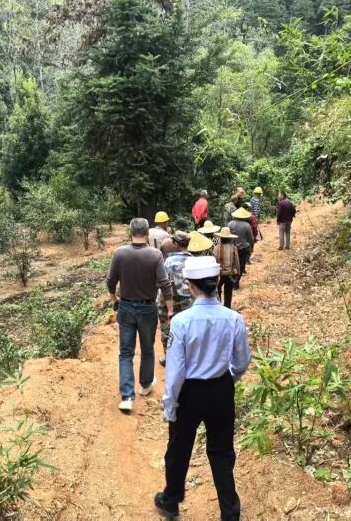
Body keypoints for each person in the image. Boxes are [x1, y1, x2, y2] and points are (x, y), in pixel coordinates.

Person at [155, 256, 252, 521]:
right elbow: (242, 361)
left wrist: (170, 403)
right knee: (222, 452)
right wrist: (227, 380)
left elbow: (175, 371)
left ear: (189, 285)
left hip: (189, 393)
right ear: (218, 280)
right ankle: (230, 512)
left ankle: (171, 500)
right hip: (221, 389)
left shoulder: (181, 322)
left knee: (178, 448)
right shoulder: (233, 319)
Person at [107, 218, 174, 413]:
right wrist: (170, 308)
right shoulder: (155, 254)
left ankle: (127, 397)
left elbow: (110, 280)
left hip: (126, 307)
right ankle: (145, 384)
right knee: (147, 348)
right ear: (147, 233)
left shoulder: (120, 253)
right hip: (147, 308)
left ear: (130, 232)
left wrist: (114, 299)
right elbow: (164, 283)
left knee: (126, 352)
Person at [158, 231, 193, 367]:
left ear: (175, 244)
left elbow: (163, 284)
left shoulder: (169, 261)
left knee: (167, 329)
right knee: (188, 331)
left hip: (169, 302)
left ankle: (169, 358)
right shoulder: (194, 261)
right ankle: (188, 357)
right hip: (189, 304)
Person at [213, 227, 240, 309]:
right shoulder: (233, 248)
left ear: (220, 238)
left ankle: (218, 307)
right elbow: (237, 261)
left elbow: (214, 261)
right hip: (230, 274)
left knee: (218, 290)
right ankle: (227, 306)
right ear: (230, 238)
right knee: (228, 291)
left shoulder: (216, 248)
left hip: (219, 274)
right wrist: (238, 272)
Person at [228, 208, 254, 287]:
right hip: (242, 248)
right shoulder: (247, 225)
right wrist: (252, 246)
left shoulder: (230, 224)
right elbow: (251, 238)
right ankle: (236, 282)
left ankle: (232, 281)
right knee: (241, 265)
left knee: (232, 264)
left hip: (231, 247)